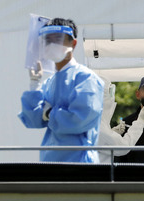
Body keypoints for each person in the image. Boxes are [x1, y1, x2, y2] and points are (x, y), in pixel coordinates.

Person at [18, 18, 104, 162]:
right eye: (48, 40)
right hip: (50, 161)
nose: (52, 44)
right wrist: (35, 84)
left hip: (79, 161)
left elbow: (79, 119)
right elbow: (32, 120)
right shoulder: (50, 82)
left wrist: (48, 113)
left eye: (57, 39)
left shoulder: (86, 78)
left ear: (73, 43)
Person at [97, 77, 144, 163]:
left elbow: (102, 141)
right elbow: (123, 147)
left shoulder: (91, 121)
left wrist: (111, 133)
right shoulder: (97, 125)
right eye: (110, 92)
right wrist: (141, 120)